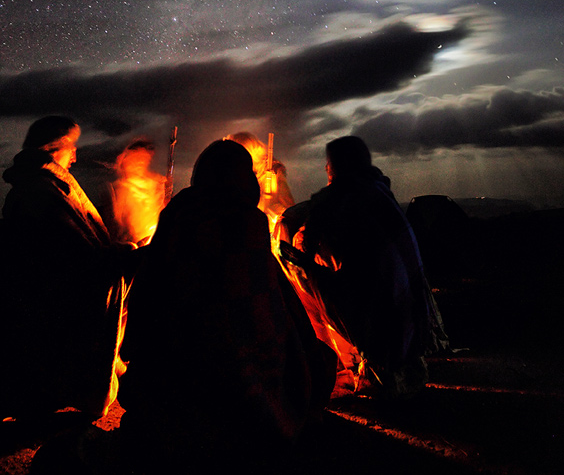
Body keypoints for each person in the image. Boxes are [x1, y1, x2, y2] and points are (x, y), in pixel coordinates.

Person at [118, 140, 334, 473]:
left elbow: (148, 296)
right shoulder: (249, 223)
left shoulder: (176, 216)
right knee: (311, 361)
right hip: (240, 384)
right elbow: (266, 311)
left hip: (176, 379)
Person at [1, 116, 130, 418]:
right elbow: (76, 254)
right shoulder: (41, 193)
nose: (75, 156)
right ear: (52, 148)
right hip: (57, 295)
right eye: (71, 147)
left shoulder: (45, 186)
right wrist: (127, 254)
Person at [291, 135, 440, 396]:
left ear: (335, 166)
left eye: (328, 165)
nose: (326, 170)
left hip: (380, 323)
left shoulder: (338, 196)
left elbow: (307, 242)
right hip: (416, 323)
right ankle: (392, 360)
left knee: (297, 261)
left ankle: (339, 354)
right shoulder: (380, 190)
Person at [106, 138, 167, 246]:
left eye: (144, 158)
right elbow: (114, 225)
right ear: (125, 159)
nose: (140, 162)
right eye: (136, 157)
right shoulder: (117, 190)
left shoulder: (155, 186)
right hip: (128, 248)